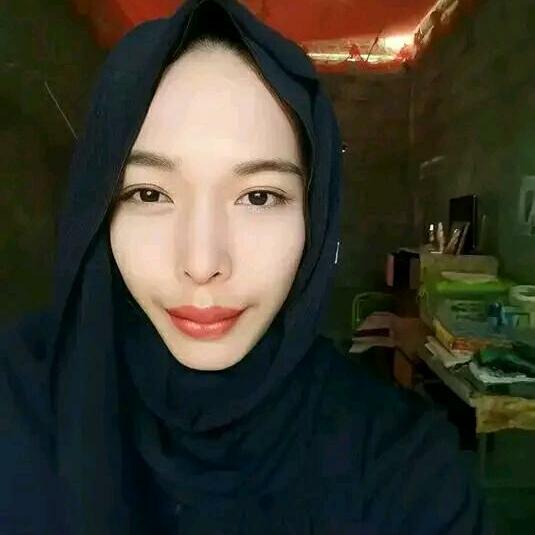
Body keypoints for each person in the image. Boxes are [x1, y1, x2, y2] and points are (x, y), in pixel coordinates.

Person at [0, 0, 492, 533]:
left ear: (314, 214)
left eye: (259, 196)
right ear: (99, 209)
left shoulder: (407, 472)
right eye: (149, 193)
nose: (202, 264)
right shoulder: (16, 403)